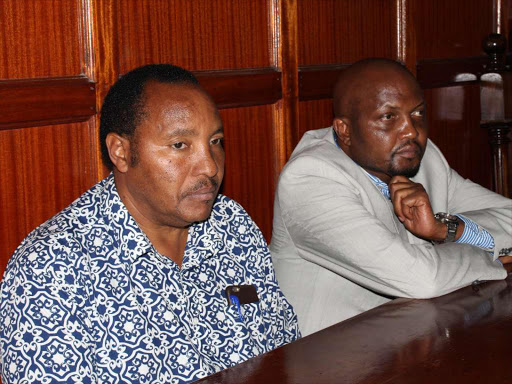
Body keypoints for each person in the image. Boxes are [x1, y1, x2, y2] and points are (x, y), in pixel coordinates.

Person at [0, 64, 299, 383]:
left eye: (215, 141)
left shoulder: (232, 224)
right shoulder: (53, 269)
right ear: (122, 152)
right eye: (180, 145)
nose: (210, 167)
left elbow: (285, 350)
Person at [270, 58, 512, 337]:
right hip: (332, 358)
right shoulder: (311, 178)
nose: (411, 131)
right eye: (389, 117)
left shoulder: (421, 157)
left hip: (412, 339)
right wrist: (489, 260)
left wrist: (445, 229)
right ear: (344, 131)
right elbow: (422, 278)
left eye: (418, 114)